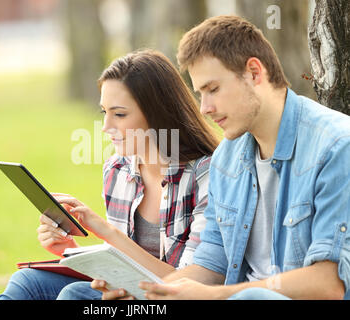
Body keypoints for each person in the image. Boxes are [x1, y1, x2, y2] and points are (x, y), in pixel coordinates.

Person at [138, 15, 350, 300]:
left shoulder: (336, 145)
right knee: (82, 293)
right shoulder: (227, 156)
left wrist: (220, 295)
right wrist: (148, 293)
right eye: (200, 93)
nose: (204, 109)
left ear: (254, 72)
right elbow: (211, 262)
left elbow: (329, 284)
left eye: (213, 90)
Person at [0, 49, 220, 300]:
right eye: (105, 112)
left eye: (120, 114)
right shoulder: (117, 169)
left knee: (74, 295)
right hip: (129, 291)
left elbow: (189, 283)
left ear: (158, 113)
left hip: (171, 296)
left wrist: (104, 230)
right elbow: (120, 268)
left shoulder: (206, 174)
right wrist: (69, 250)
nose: (106, 127)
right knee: (26, 281)